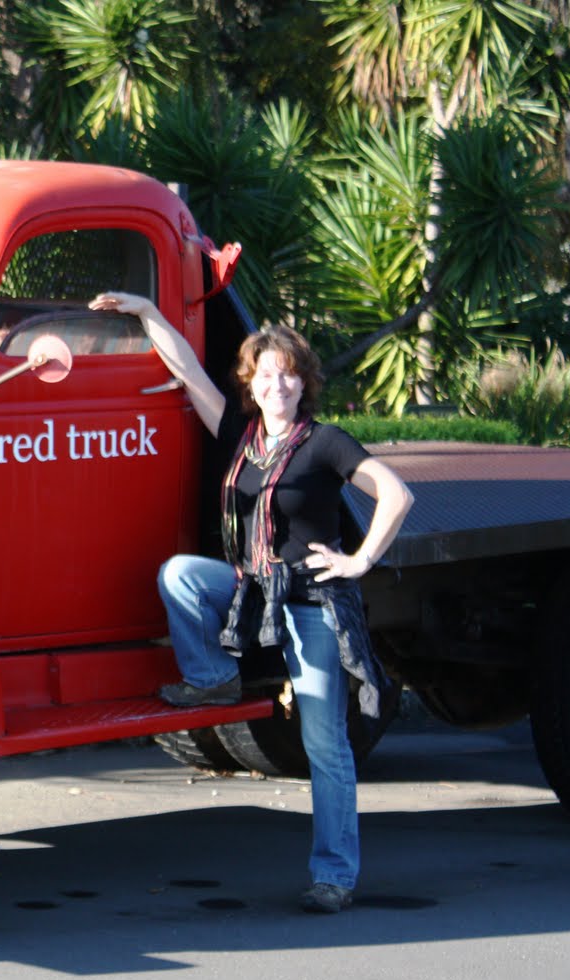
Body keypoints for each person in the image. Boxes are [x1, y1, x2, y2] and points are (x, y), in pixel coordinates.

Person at [88, 291, 414, 914]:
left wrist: (359, 560)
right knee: (181, 575)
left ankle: (334, 876)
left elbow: (396, 495)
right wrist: (147, 312)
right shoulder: (241, 437)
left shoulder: (325, 443)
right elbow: (187, 369)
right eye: (266, 374)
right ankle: (213, 678)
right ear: (251, 383)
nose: (276, 385)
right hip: (253, 592)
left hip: (311, 602)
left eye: (288, 375)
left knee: (324, 743)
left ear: (304, 383)